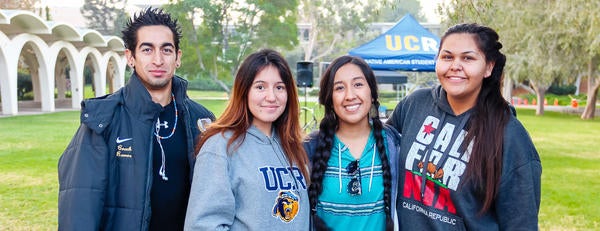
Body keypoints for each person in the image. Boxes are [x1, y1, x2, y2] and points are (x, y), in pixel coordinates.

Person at [58, 7, 215, 230]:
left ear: (178, 57)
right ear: (130, 57)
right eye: (147, 49)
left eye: (166, 50)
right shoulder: (103, 119)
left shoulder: (201, 120)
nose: (158, 60)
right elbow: (79, 204)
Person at [386, 23, 541, 230]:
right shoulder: (414, 105)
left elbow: (521, 223)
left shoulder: (509, 135)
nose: (455, 65)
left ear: (489, 67)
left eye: (468, 58)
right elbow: (379, 151)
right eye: (447, 57)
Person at [184, 49, 310, 230]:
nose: (271, 97)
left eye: (279, 87)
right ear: (245, 91)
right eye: (260, 87)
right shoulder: (221, 147)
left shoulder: (292, 146)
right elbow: (203, 226)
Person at [304, 55, 401, 231]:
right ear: (330, 100)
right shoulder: (309, 148)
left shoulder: (393, 145)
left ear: (372, 93)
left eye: (358, 84)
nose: (350, 95)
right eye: (339, 88)